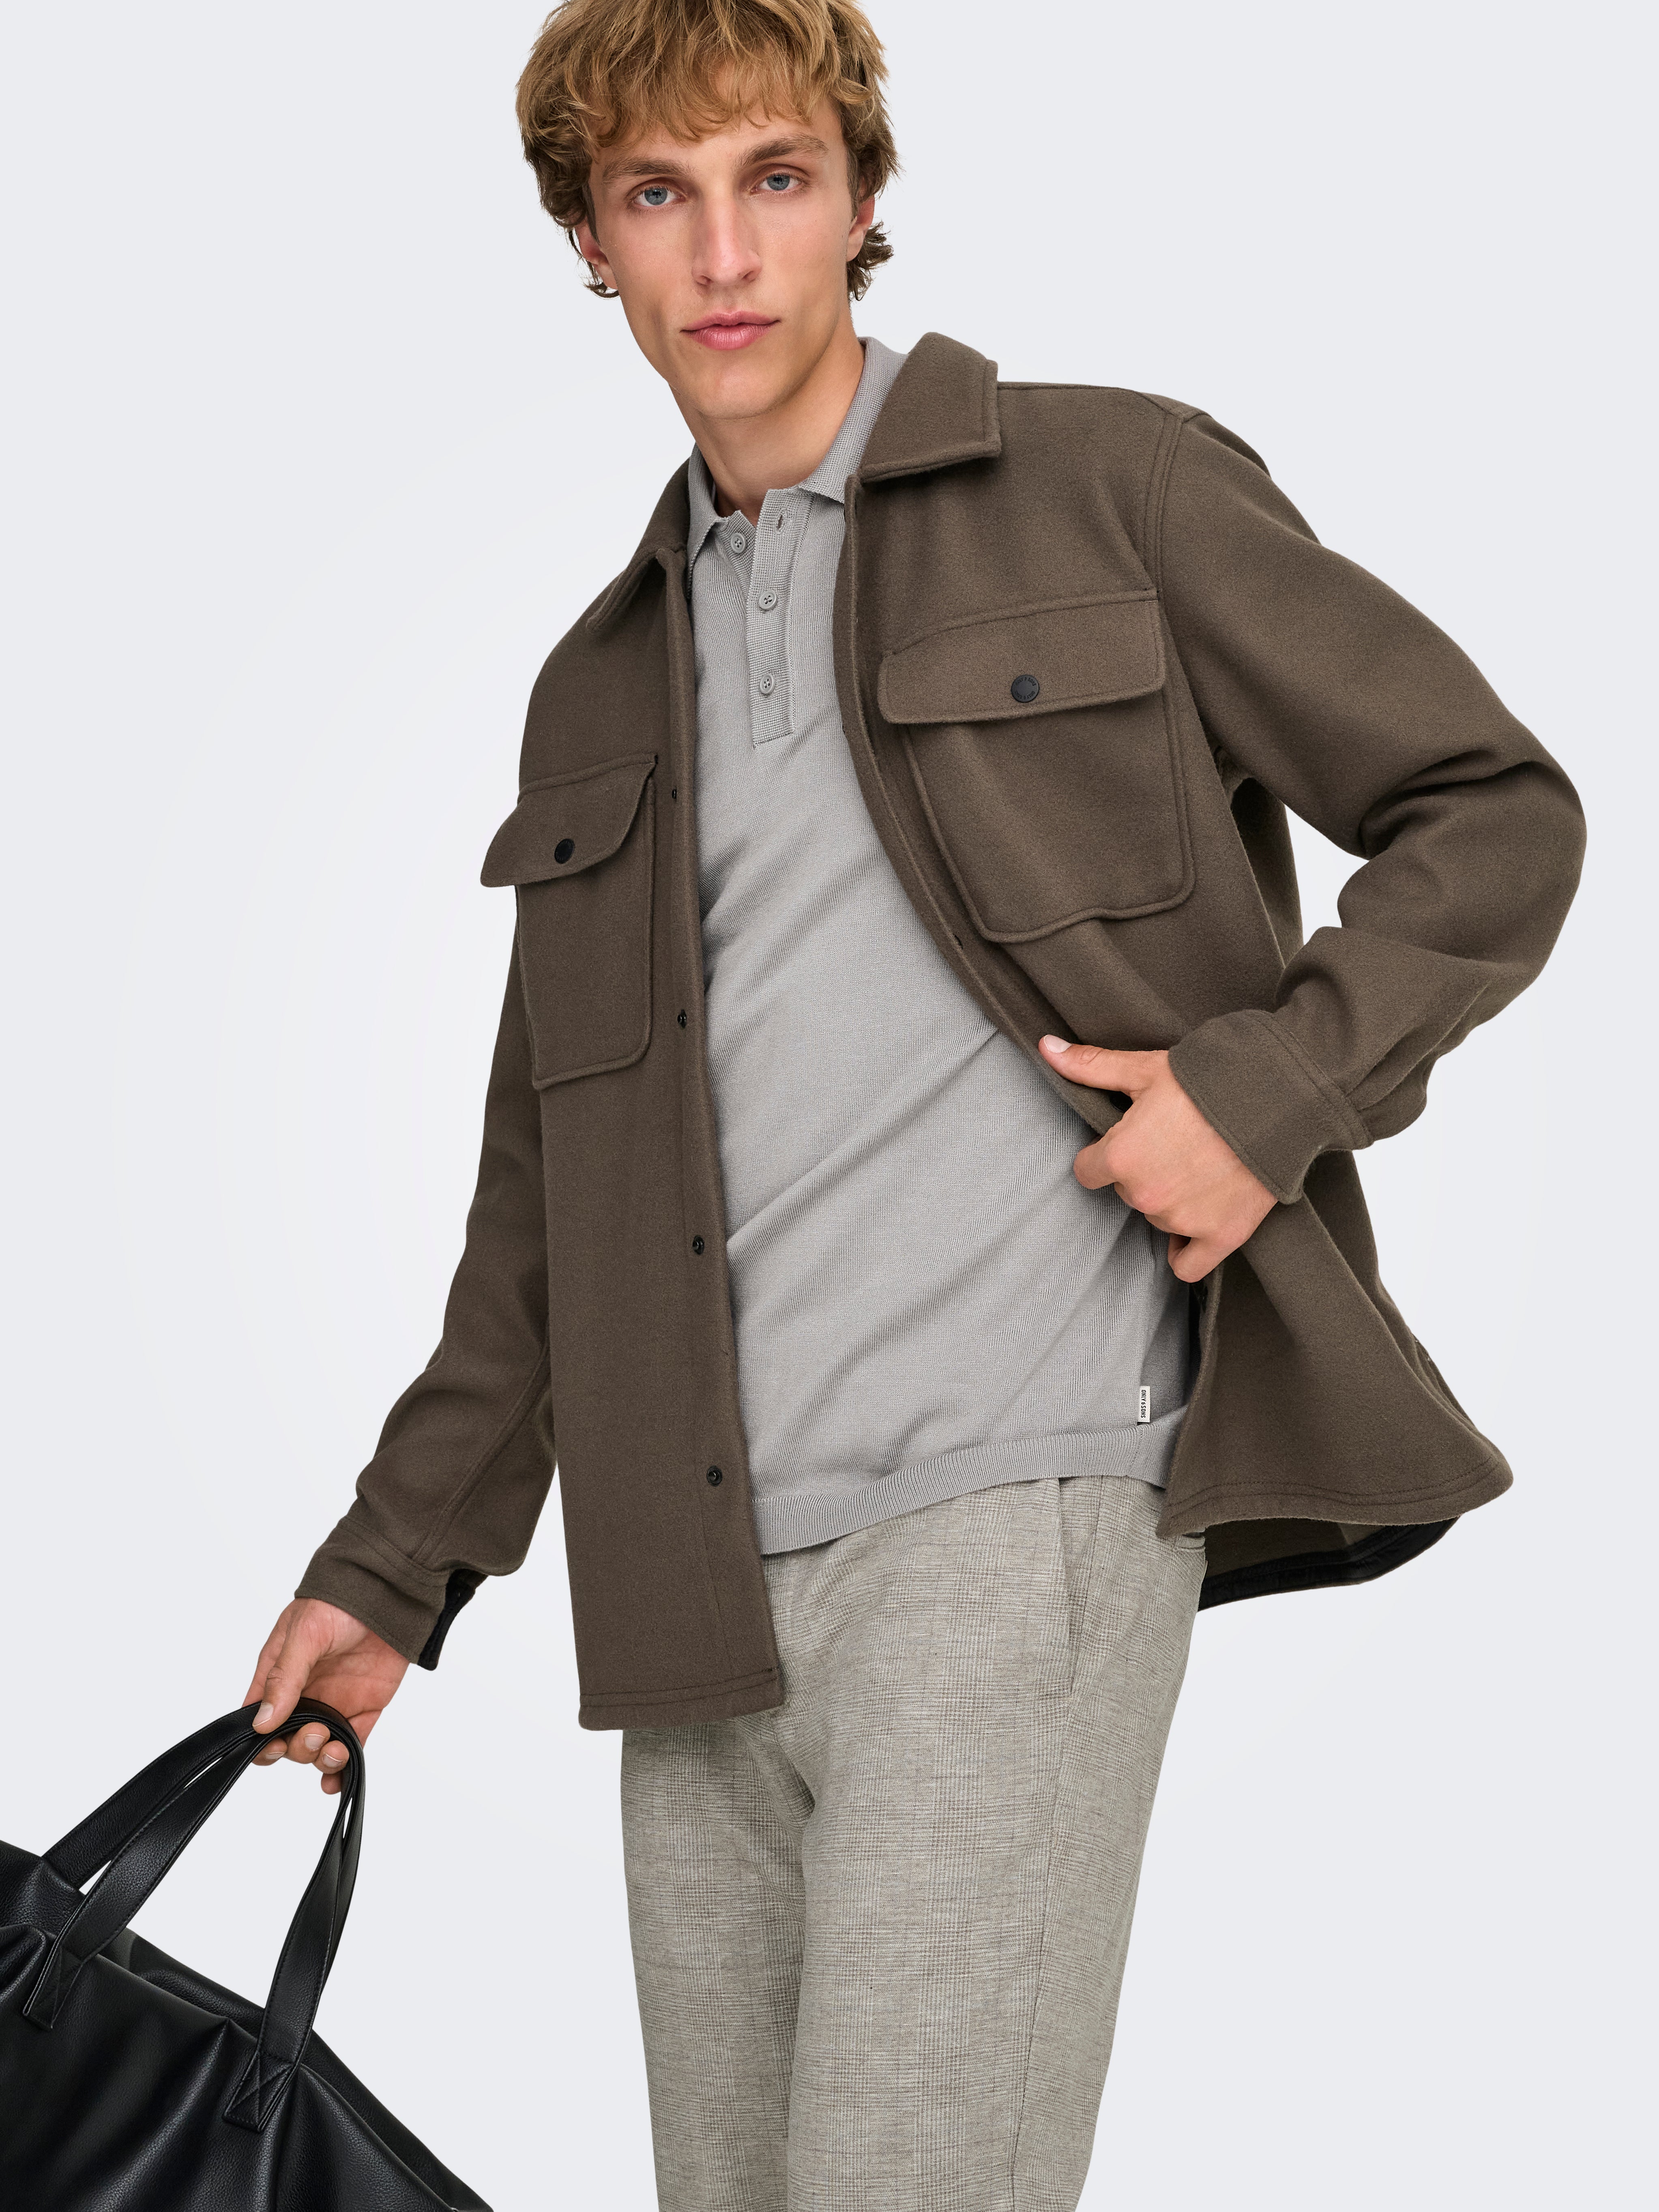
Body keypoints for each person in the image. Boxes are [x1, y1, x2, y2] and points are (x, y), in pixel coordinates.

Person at [243, 2, 1585, 2204]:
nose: (723, 254)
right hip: (692, 1596)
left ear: (862, 196)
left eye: (773, 178)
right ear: (589, 241)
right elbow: (546, 1197)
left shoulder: (1113, 487)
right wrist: (394, 1569)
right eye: (657, 195)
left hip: (1011, 1516)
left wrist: (1268, 1092)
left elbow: (1492, 814)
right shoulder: (598, 685)